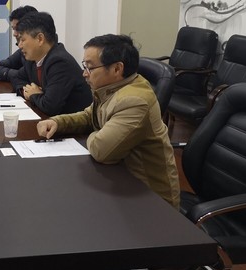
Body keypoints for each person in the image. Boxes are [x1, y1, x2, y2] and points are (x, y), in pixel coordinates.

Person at [37, 34, 180, 208]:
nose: (84, 73)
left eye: (90, 67)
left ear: (117, 69)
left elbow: (101, 150)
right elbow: (90, 116)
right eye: (84, 66)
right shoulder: (112, 88)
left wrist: (98, 133)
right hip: (120, 179)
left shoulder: (135, 101)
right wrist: (58, 122)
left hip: (151, 199)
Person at [11, 12, 92, 116]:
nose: (20, 45)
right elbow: (16, 78)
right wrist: (26, 92)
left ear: (40, 39)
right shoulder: (32, 59)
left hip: (74, 123)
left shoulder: (59, 62)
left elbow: (50, 107)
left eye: (22, 40)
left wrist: (33, 95)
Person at [0, 5, 37, 82]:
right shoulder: (23, 50)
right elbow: (10, 62)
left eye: (18, 29)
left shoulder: (46, 57)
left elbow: (21, 76)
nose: (14, 34)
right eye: (13, 29)